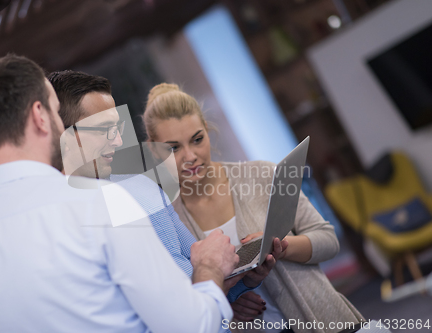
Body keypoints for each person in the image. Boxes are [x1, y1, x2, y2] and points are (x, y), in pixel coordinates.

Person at [0, 54, 242, 333]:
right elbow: (191, 325)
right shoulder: (97, 201)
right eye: (55, 110)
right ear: (40, 116)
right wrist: (209, 267)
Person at [142, 83, 364, 333]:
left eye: (197, 139)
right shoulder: (169, 223)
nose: (190, 156)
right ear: (153, 149)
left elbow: (328, 240)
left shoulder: (263, 174)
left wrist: (279, 246)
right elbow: (186, 302)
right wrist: (226, 299)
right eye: (174, 148)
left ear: (207, 128)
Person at [47, 70, 279, 303]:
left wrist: (245, 282)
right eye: (105, 129)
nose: (117, 141)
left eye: (117, 128)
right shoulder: (64, 223)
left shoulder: (142, 187)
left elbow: (199, 273)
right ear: (65, 135)